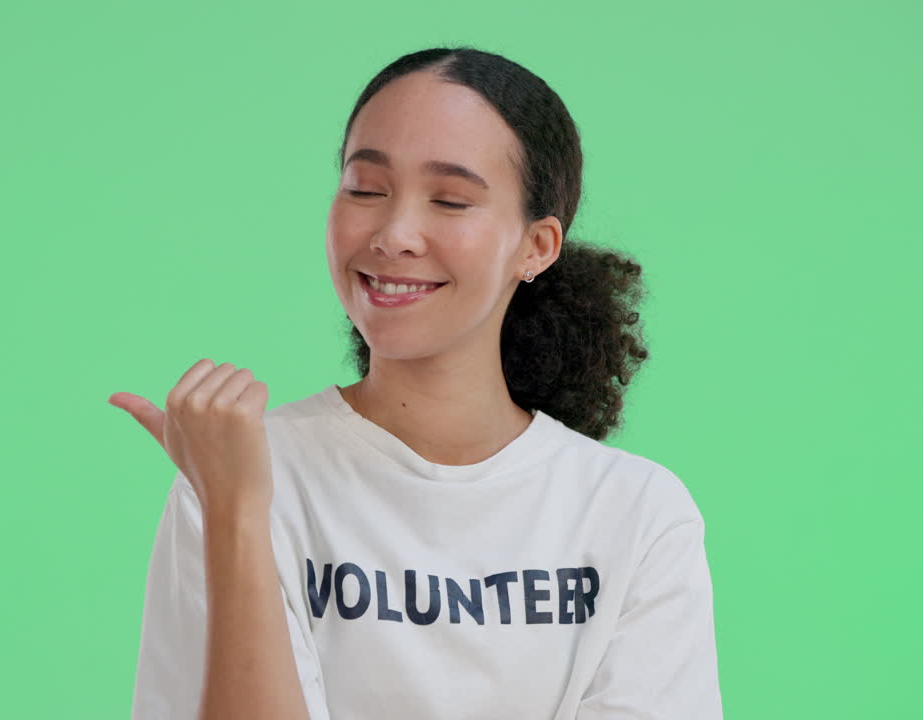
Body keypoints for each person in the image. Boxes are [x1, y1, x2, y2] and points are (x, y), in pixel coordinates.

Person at [114, 45, 723, 720]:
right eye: (365, 189)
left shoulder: (636, 515)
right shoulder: (235, 477)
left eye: (451, 200)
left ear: (537, 246)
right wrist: (234, 514)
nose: (394, 234)